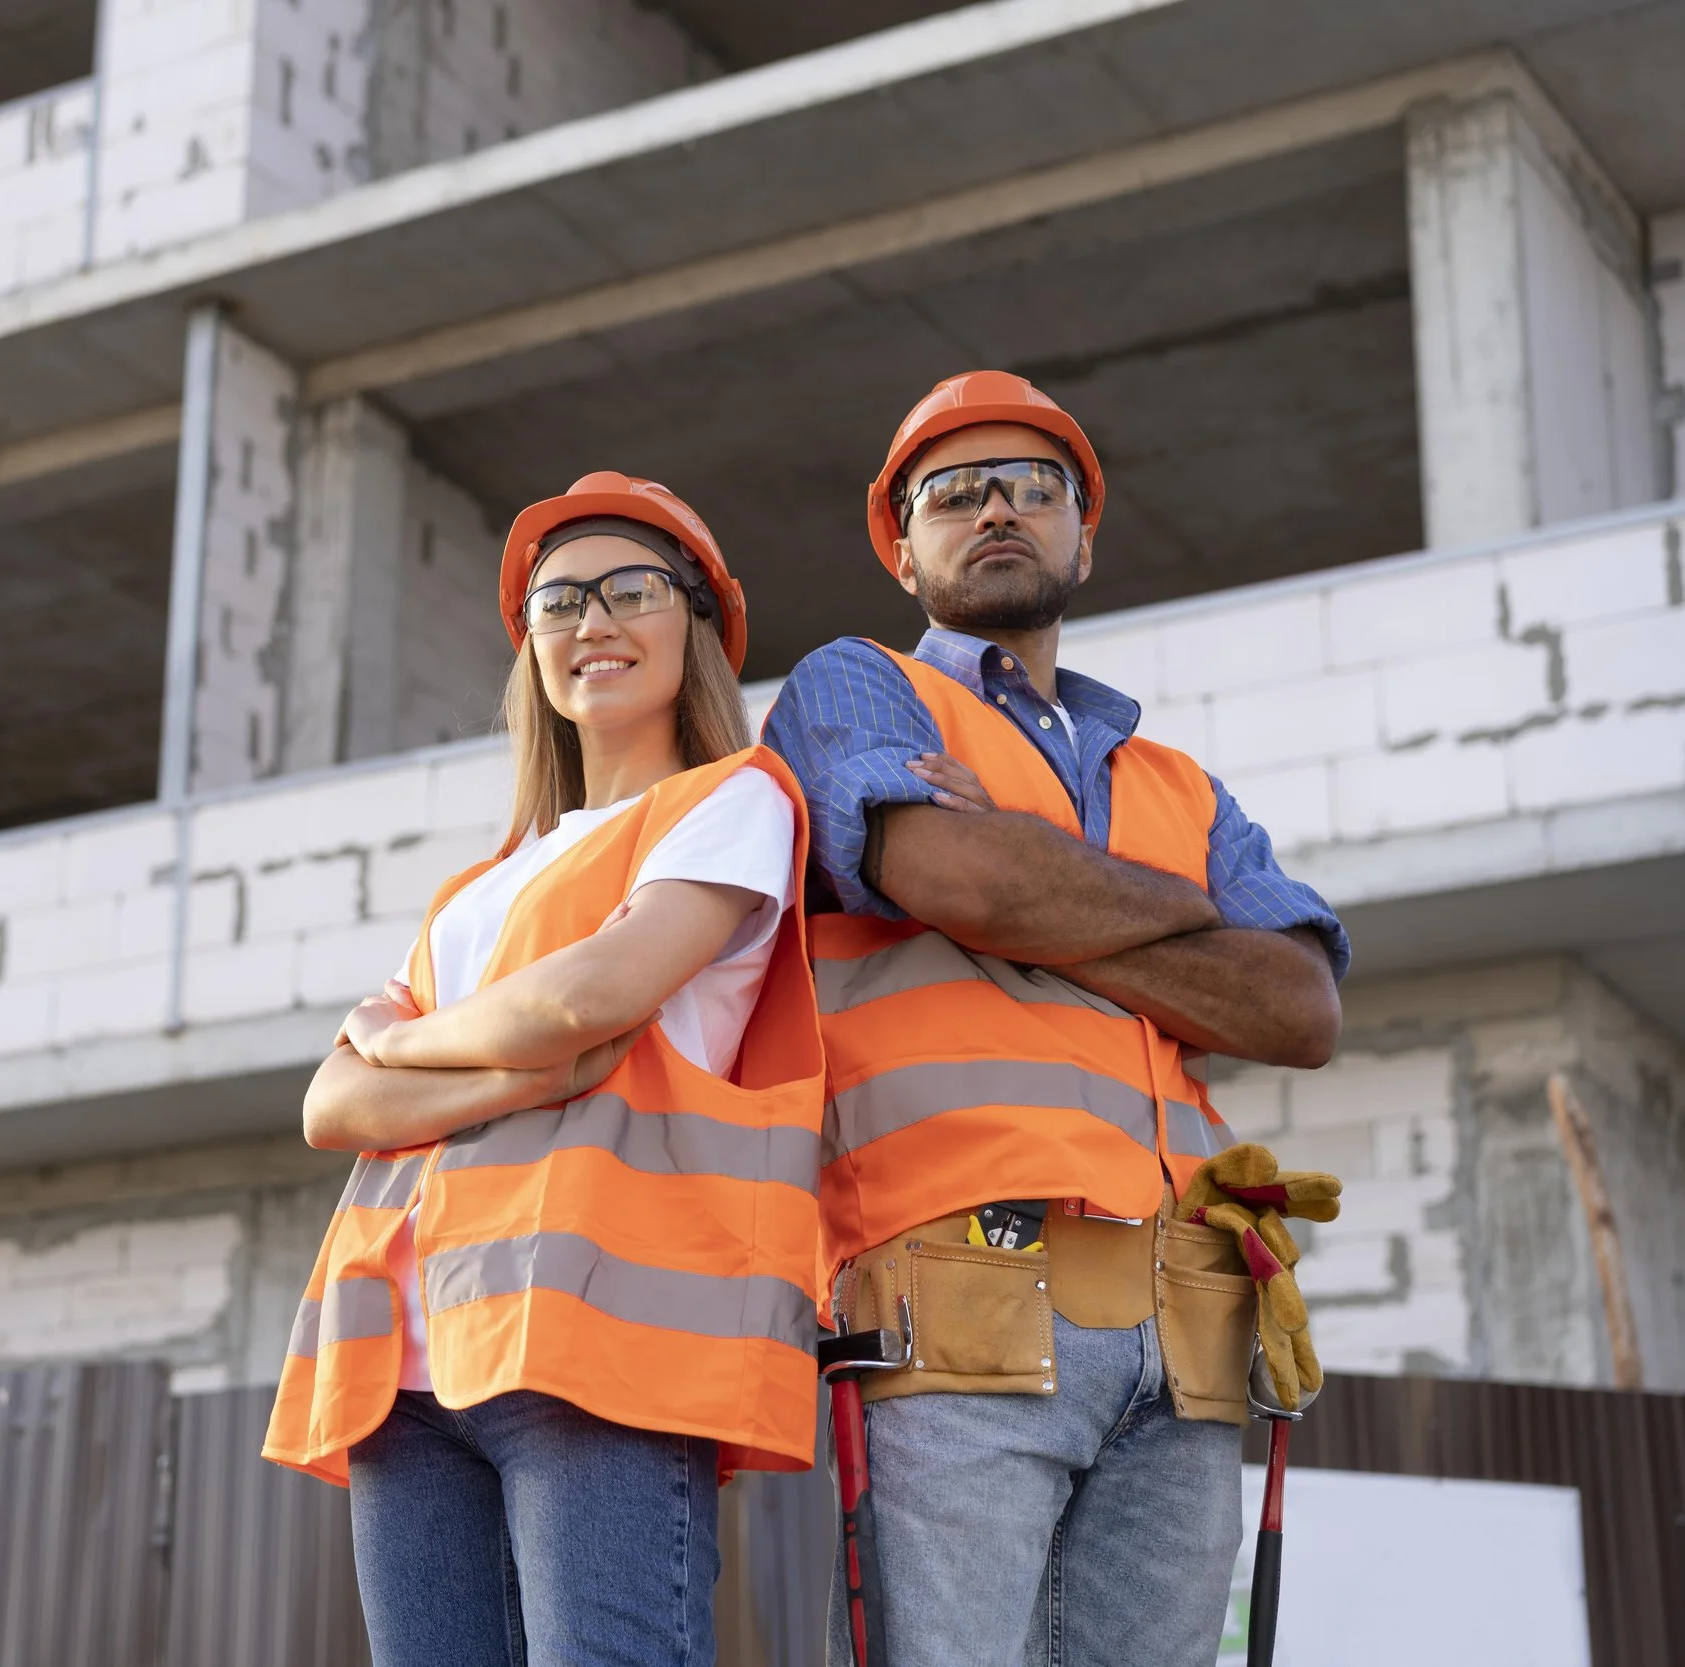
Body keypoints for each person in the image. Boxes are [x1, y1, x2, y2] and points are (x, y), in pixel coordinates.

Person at [761, 373, 1347, 1667]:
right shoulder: (853, 689)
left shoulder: (1175, 780)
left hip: (1188, 1320)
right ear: (899, 544)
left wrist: (1032, 872)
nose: (998, 509)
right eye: (954, 492)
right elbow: (946, 877)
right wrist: (1181, 921)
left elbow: (1299, 1005)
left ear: (1087, 529)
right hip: (957, 1296)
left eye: (1035, 485)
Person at [263, 472, 829, 1667]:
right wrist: (505, 1076)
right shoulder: (475, 886)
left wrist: (402, 1039)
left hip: (590, 1344)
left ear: (700, 624)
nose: (592, 621)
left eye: (632, 589)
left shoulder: (732, 804)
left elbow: (587, 998)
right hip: (403, 1364)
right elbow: (331, 1103)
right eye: (559, 601)